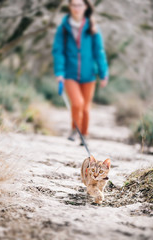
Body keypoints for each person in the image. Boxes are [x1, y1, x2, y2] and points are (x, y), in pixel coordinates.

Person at [52, 0, 109, 144]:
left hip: (89, 75)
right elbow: (58, 51)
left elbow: (99, 52)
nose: (76, 8)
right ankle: (74, 130)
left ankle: (84, 135)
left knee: (86, 108)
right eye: (74, 5)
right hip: (69, 74)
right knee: (77, 103)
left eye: (80, 5)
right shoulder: (63, 28)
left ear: (86, 7)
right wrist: (59, 72)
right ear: (70, 7)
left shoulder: (93, 27)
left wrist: (103, 73)